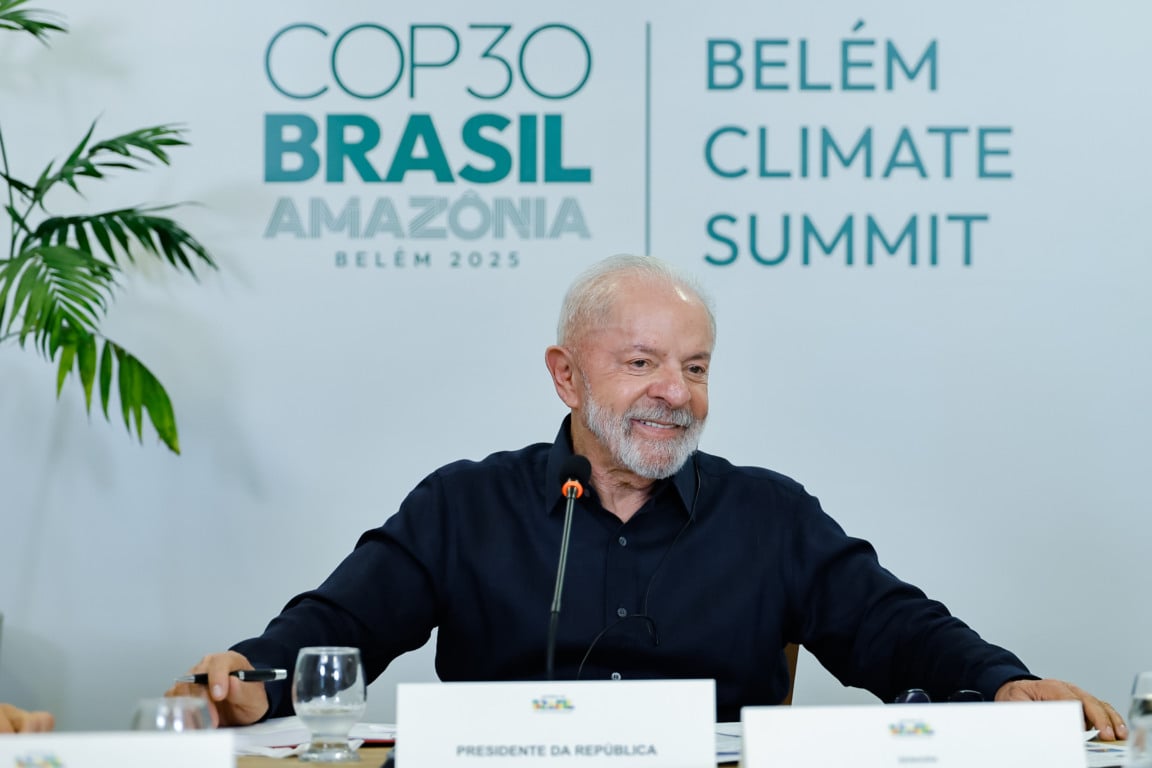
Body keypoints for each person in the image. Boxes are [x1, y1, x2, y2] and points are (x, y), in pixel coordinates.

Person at [169, 254, 1127, 739]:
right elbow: (336, 628)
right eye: (641, 363)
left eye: (696, 367)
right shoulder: (464, 507)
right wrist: (248, 678)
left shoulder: (770, 514)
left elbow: (897, 628)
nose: (676, 391)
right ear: (564, 375)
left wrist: (1005, 683)